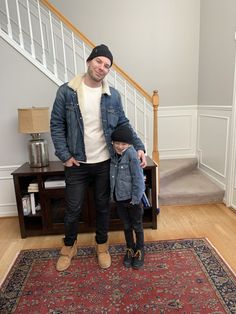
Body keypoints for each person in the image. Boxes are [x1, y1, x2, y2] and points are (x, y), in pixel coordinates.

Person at [50, 44, 147, 272]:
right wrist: (64, 155)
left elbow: (123, 123)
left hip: (105, 162)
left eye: (107, 65)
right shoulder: (66, 92)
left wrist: (140, 146)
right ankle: (69, 246)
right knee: (73, 208)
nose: (102, 67)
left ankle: (102, 245)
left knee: (103, 206)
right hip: (77, 163)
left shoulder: (113, 96)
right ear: (89, 61)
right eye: (99, 62)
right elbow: (56, 125)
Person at [110, 125, 146, 269]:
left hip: (133, 200)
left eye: (123, 144)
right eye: (117, 143)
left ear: (130, 144)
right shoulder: (113, 155)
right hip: (120, 199)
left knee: (137, 225)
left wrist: (136, 199)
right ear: (112, 143)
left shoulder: (132, 155)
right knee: (126, 225)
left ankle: (140, 250)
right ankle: (130, 248)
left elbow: (138, 179)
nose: (119, 147)